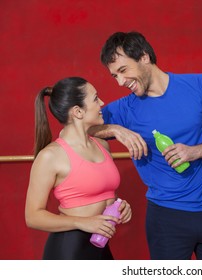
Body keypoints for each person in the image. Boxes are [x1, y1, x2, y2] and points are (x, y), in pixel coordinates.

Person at [89, 31, 202, 260]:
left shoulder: (199, 85)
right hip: (165, 219)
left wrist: (196, 151)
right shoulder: (124, 109)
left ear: (144, 57)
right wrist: (115, 129)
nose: (120, 82)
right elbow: (79, 128)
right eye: (114, 76)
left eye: (123, 70)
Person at [25, 77, 132, 260]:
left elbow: (100, 193)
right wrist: (83, 222)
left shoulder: (101, 145)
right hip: (69, 248)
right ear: (78, 111)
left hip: (100, 244)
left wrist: (120, 206)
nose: (102, 103)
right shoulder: (51, 156)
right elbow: (32, 217)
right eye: (96, 98)